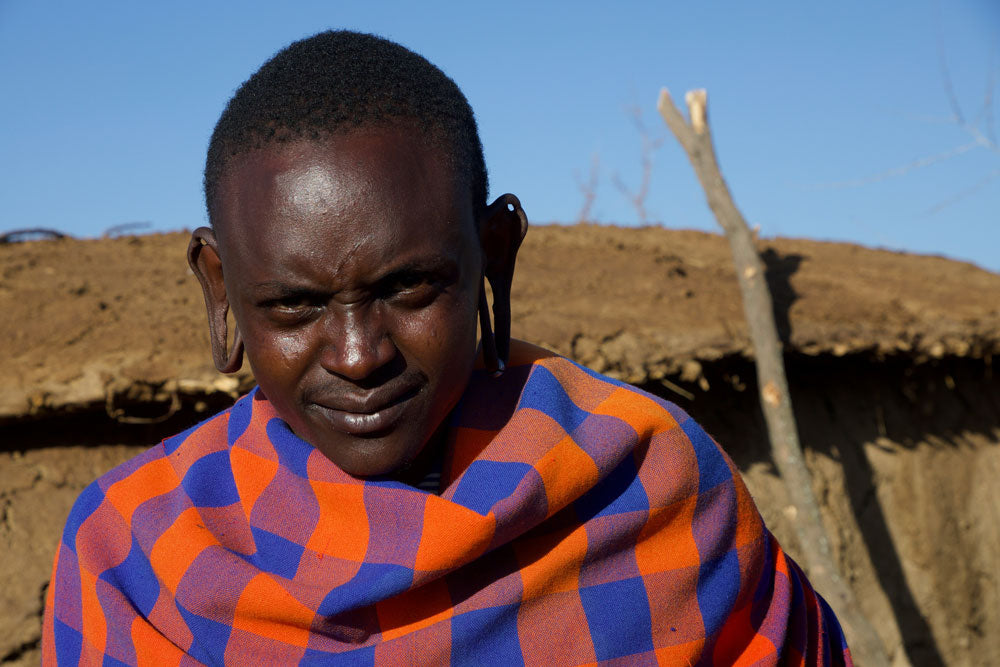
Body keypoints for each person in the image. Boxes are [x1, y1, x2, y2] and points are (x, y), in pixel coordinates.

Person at [43, 30, 852, 665]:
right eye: (294, 305)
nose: (359, 356)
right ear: (221, 291)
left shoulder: (651, 485)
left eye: (410, 288)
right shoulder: (137, 552)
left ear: (492, 255)